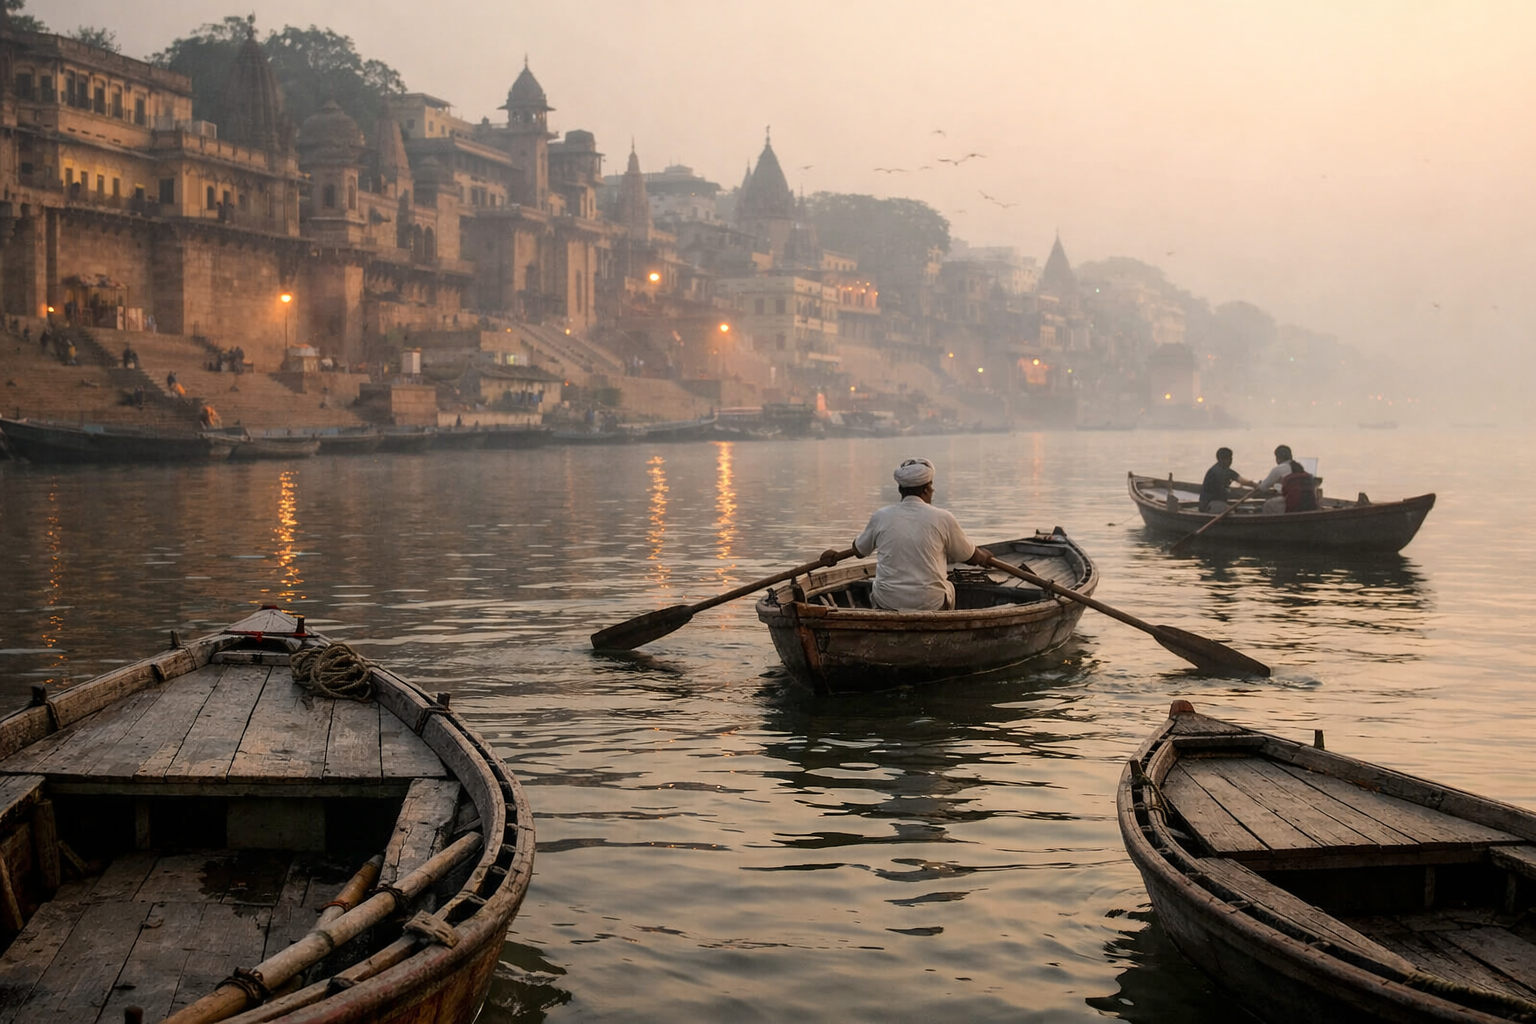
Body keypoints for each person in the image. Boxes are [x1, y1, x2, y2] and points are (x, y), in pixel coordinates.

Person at [823, 458, 992, 612]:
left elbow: (860, 551)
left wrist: (836, 556)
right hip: (930, 603)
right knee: (948, 588)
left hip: (887, 601)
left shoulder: (881, 516)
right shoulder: (943, 517)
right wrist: (983, 558)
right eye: (931, 487)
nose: (932, 491)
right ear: (926, 489)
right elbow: (969, 555)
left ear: (900, 490)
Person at [1198, 447, 1257, 512]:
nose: (1231, 461)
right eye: (1229, 458)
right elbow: (1224, 492)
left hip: (1220, 502)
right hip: (1209, 504)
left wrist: (1255, 485)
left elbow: (1240, 480)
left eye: (1231, 458)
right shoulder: (1216, 472)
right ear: (1221, 459)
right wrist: (1243, 496)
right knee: (1232, 511)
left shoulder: (1227, 470)